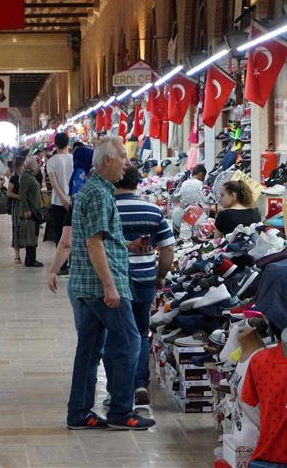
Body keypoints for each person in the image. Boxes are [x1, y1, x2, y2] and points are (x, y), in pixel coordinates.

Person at [66, 136, 155, 430]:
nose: (126, 164)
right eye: (122, 157)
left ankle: (78, 413)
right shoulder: (100, 195)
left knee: (89, 350)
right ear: (107, 160)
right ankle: (120, 411)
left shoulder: (95, 191)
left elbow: (100, 238)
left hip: (87, 286)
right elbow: (93, 244)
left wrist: (127, 246)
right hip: (100, 286)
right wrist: (110, 286)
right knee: (129, 341)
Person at [113, 166, 175, 406]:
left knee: (116, 335)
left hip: (115, 280)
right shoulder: (152, 210)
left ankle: (119, 388)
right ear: (138, 183)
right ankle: (140, 382)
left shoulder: (107, 209)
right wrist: (160, 276)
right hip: (144, 280)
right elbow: (168, 249)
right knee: (140, 332)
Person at [45, 133, 73, 246]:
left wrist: (64, 201)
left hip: (57, 202)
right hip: (73, 201)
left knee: (59, 235)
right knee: (72, 234)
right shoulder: (74, 158)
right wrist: (68, 201)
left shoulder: (51, 161)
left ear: (55, 144)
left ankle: (61, 263)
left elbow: (54, 185)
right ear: (68, 143)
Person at [18, 153, 45, 267]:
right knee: (31, 234)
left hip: (34, 209)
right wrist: (26, 209)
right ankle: (30, 260)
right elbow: (22, 194)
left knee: (33, 234)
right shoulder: (26, 176)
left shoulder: (30, 175)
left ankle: (31, 258)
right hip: (30, 210)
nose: (38, 166)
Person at [6, 155, 25, 264]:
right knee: (16, 228)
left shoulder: (26, 176)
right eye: (23, 165)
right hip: (17, 206)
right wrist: (20, 197)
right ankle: (17, 255)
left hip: (24, 205)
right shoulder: (14, 178)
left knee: (25, 228)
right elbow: (9, 192)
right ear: (18, 166)